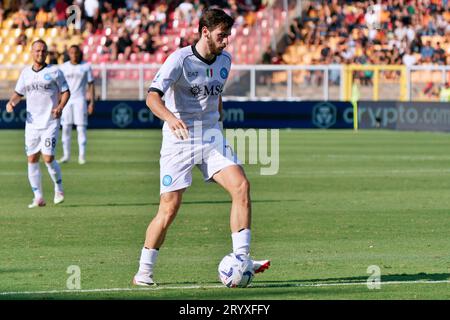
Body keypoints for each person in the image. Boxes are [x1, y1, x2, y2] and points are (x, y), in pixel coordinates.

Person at [132, 8, 270, 286]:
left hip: (211, 138)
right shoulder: (179, 60)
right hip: (179, 141)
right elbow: (151, 98)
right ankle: (143, 272)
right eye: (222, 35)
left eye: (228, 35)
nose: (226, 41)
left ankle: (241, 258)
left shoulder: (225, 60)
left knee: (241, 186)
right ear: (205, 32)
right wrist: (171, 119)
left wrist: (218, 124)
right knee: (169, 208)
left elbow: (216, 96)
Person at [5, 39, 70, 208]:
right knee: (32, 158)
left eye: (43, 51)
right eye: (37, 51)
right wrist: (11, 103)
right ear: (32, 52)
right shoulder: (26, 73)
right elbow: (18, 93)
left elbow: (65, 91)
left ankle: (59, 187)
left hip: (50, 122)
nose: (40, 53)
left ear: (47, 53)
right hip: (32, 124)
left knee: (48, 158)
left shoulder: (55, 71)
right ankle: (38, 197)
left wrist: (60, 106)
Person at [58, 45, 95, 165]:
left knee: (81, 128)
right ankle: (66, 156)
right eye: (72, 52)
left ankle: (82, 156)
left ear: (79, 53)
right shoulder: (63, 67)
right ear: (68, 53)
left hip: (80, 100)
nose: (74, 55)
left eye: (76, 52)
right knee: (66, 128)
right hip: (66, 100)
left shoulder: (86, 66)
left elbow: (91, 85)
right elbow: (58, 86)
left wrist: (92, 102)